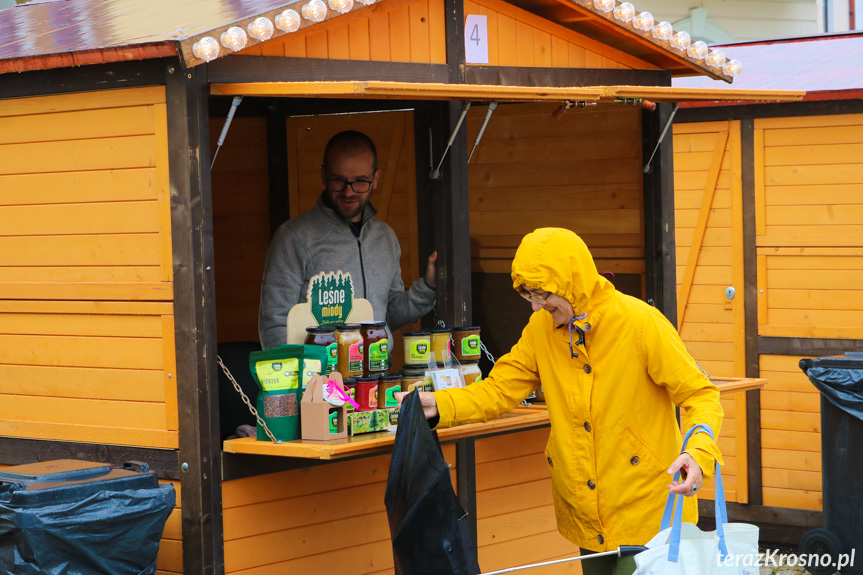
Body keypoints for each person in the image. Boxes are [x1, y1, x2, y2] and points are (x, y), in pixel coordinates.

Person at [397, 227, 724, 575]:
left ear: (573, 283)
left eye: (542, 293)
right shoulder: (540, 329)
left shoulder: (642, 324)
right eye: (527, 295)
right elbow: (499, 390)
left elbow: (701, 393)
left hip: (651, 512)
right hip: (585, 511)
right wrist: (439, 406)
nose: (536, 305)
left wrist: (699, 453)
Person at [259, 130, 437, 349]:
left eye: (360, 181)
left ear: (376, 178)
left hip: (374, 377)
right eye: (339, 180)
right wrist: (304, 379)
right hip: (317, 381)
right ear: (324, 175)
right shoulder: (293, 237)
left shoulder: (386, 238)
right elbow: (275, 324)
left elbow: (387, 314)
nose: (349, 192)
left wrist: (428, 287)